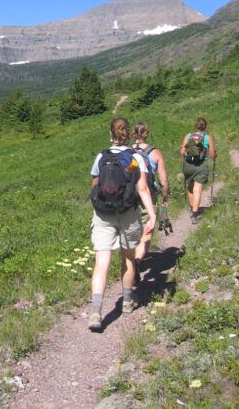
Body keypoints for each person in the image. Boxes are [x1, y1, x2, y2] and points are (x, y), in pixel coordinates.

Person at [88, 117, 156, 331]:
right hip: (128, 213)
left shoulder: (101, 156)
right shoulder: (135, 157)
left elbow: (95, 187)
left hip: (103, 214)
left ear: (111, 135)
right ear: (128, 135)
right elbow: (143, 188)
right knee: (128, 258)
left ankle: (96, 313)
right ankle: (127, 301)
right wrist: (152, 215)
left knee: (101, 263)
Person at [131, 122, 170, 284]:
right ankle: (137, 261)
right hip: (148, 194)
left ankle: (130, 262)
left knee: (132, 230)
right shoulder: (155, 153)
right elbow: (164, 180)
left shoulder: (127, 152)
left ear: (133, 134)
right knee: (147, 231)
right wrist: (165, 197)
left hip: (130, 196)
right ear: (146, 133)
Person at [180, 118, 216, 224]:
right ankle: (195, 214)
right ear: (205, 127)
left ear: (195, 126)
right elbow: (212, 155)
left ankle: (192, 208)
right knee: (198, 188)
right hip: (201, 165)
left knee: (190, 186)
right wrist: (215, 155)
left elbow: (182, 152)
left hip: (188, 165)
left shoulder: (188, 136)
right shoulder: (208, 137)